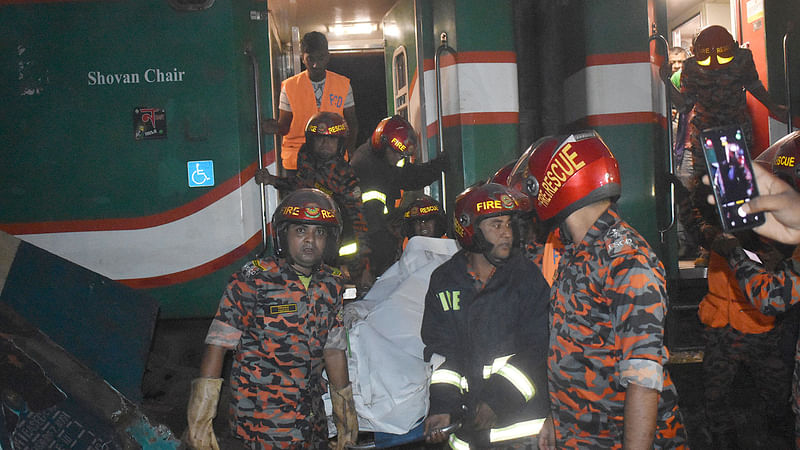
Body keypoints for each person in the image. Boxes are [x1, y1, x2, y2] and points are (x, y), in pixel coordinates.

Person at [514, 131, 688, 449]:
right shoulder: (576, 253)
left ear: (557, 185)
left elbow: (643, 381)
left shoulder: (626, 259)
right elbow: (575, 349)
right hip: (583, 435)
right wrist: (559, 419)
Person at [184, 189, 358, 449]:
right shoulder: (252, 280)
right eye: (300, 231)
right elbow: (218, 344)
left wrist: (345, 414)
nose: (310, 240)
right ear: (283, 235)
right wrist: (200, 418)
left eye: (319, 232)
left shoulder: (331, 284)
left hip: (311, 423)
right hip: (261, 424)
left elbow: (333, 350)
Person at [421, 182, 551, 448]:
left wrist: (497, 401)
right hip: (469, 432)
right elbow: (441, 353)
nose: (507, 234)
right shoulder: (444, 281)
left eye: (508, 224)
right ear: (469, 230)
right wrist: (443, 405)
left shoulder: (526, 278)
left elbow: (539, 349)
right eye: (496, 225)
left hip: (521, 429)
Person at [661, 25, 787, 265]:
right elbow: (686, 104)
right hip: (707, 135)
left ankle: (741, 248)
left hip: (733, 133)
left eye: (721, 53)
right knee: (705, 192)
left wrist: (772, 106)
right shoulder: (691, 67)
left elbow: (754, 85)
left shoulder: (741, 60)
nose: (715, 61)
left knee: (736, 191)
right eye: (707, 55)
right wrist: (666, 82)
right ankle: (712, 247)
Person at [696, 229, 793, 448]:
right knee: (715, 392)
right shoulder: (714, 228)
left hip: (759, 326)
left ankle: (779, 436)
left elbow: (777, 285)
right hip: (721, 325)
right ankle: (722, 438)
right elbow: (699, 228)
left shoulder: (776, 233)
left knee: (777, 393)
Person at [256, 111, 372, 290]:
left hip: (334, 241)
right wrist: (272, 180)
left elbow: (359, 220)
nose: (325, 144)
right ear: (311, 141)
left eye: (332, 139)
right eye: (320, 139)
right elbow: (300, 185)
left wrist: (363, 267)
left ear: (340, 143)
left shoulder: (345, 175)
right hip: (305, 235)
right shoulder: (305, 159)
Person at [350, 115, 448, 278]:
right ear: (383, 145)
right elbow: (372, 225)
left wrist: (437, 166)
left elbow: (407, 175)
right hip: (360, 249)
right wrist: (368, 268)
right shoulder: (369, 170)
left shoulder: (381, 158)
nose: (399, 159)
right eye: (397, 154)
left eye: (402, 156)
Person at [262, 31, 358, 173]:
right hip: (297, 163)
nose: (315, 64)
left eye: (320, 58)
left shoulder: (343, 85)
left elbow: (352, 123)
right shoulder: (289, 87)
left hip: (333, 160)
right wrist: (272, 127)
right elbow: (284, 127)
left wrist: (349, 153)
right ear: (302, 58)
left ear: (328, 57)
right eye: (310, 59)